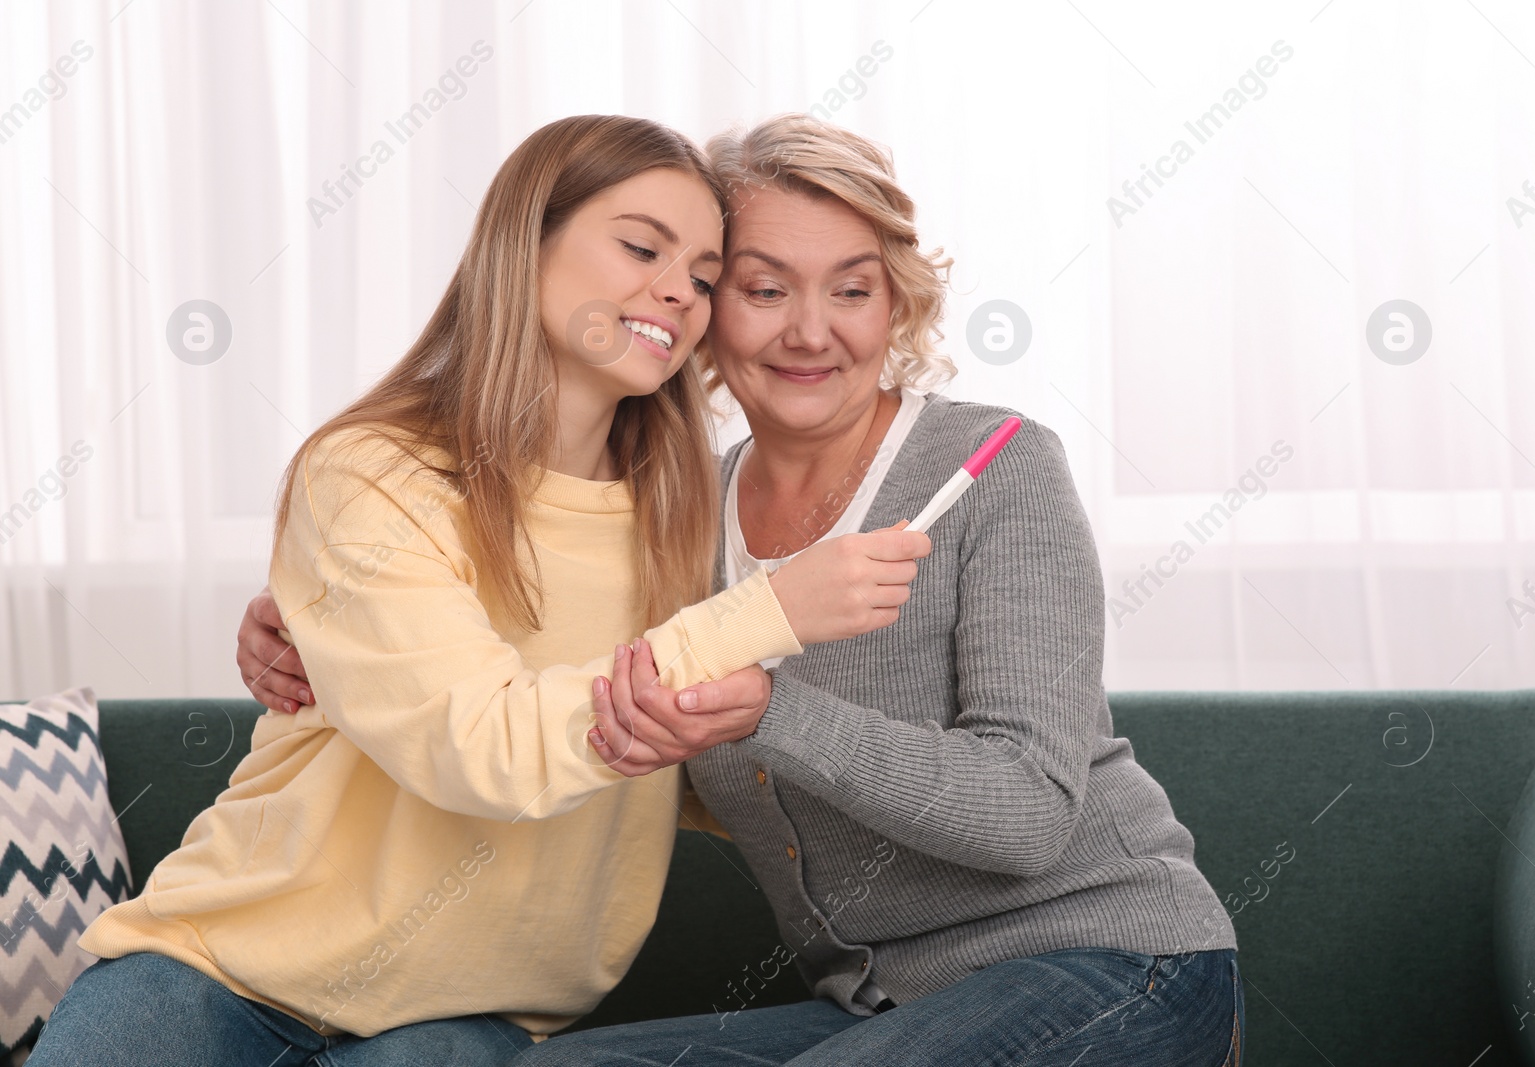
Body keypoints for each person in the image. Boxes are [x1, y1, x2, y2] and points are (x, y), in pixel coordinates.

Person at [241, 114, 1243, 1066]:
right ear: (704, 305)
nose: (811, 332)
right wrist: (345, 636)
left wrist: (771, 708)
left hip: (1112, 963)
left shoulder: (991, 467)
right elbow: (607, 715)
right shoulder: (679, 509)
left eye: (851, 290)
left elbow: (1028, 813)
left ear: (894, 303)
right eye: (764, 289)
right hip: (874, 1005)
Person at [28, 114, 928, 1067]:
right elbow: (479, 748)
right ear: (525, 242)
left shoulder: (690, 516)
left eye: (705, 278)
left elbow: (706, 764)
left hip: (472, 1016)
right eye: (640, 246)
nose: (678, 289)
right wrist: (776, 609)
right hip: (218, 969)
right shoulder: (372, 472)